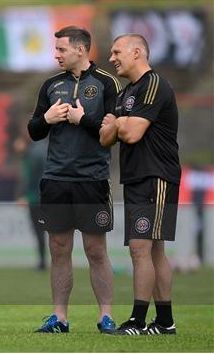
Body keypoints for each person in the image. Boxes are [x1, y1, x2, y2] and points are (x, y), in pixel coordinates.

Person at [27, 26, 121, 334]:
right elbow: (34, 130)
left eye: (61, 50)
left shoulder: (106, 83)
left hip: (92, 180)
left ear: (80, 50)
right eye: (56, 50)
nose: (56, 55)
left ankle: (105, 316)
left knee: (95, 249)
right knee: (58, 247)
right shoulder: (51, 85)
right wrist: (47, 119)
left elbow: (112, 133)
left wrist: (83, 120)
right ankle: (60, 317)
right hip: (55, 178)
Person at [100, 33, 181, 335]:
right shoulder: (125, 93)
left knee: (139, 248)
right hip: (137, 178)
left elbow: (130, 134)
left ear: (137, 52)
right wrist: (119, 124)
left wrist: (118, 123)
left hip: (156, 176)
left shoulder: (154, 84)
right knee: (154, 251)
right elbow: (105, 137)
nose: (112, 58)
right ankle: (165, 322)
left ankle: (137, 320)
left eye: (117, 51)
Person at [14, 134, 48, 271]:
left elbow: (32, 178)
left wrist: (26, 196)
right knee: (43, 231)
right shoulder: (36, 151)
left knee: (39, 230)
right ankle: (43, 261)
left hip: (36, 199)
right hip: (41, 197)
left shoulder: (33, 155)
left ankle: (42, 262)